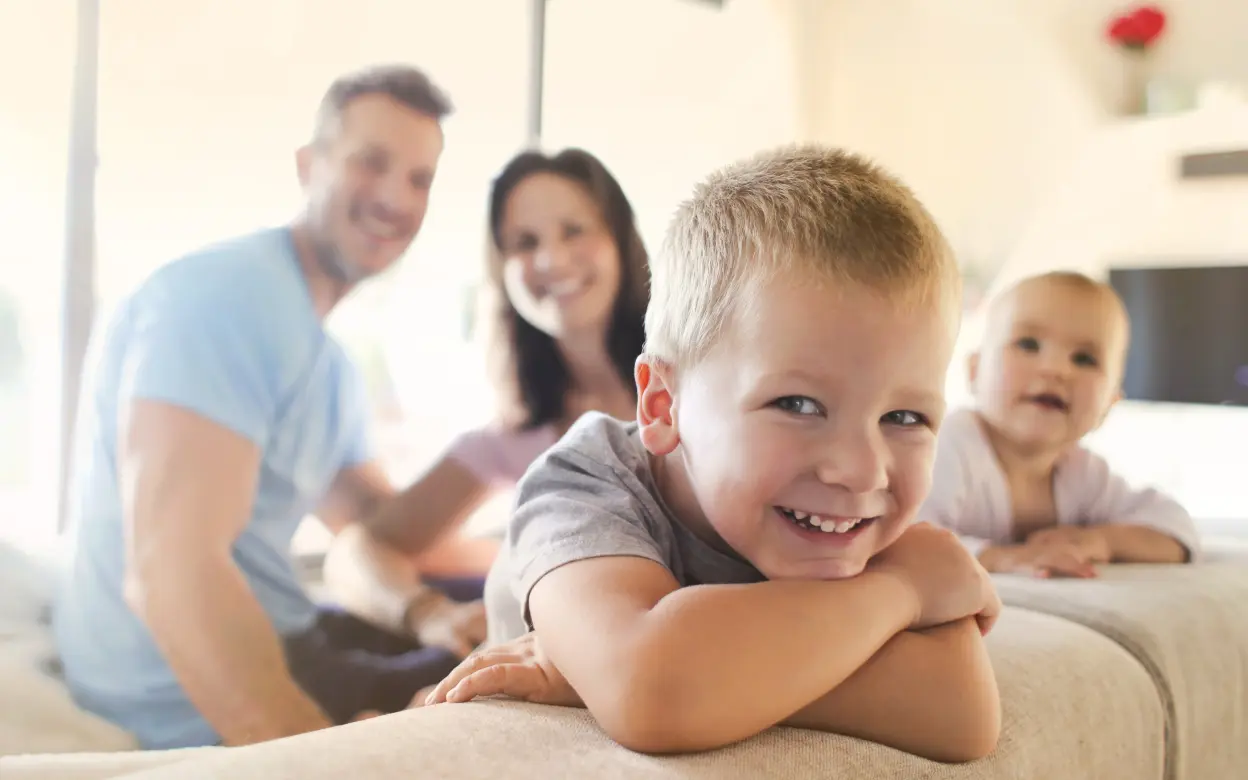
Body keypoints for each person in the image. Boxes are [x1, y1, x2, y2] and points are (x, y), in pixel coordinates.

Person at [422, 146, 1003, 763]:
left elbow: (959, 713)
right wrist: (903, 593)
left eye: (905, 417)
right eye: (799, 405)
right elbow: (650, 688)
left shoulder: (845, 520)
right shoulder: (583, 485)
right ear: (663, 407)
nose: (862, 469)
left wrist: (654, 676)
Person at [53, 64, 486, 750]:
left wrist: (505, 453)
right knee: (526, 683)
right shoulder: (227, 300)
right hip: (175, 687)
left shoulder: (325, 359)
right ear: (308, 165)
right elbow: (172, 569)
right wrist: (311, 757)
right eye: (371, 162)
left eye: (420, 179)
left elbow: (373, 526)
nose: (396, 198)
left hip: (296, 632)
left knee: (518, 622)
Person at [322, 148, 649, 634]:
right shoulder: (512, 438)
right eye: (524, 241)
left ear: (619, 237)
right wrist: (428, 613)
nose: (551, 259)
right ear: (501, 267)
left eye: (574, 230)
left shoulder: (699, 385)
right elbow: (353, 554)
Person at [917, 271, 1200, 578]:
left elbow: (1177, 528)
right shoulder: (949, 446)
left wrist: (1103, 540)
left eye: (1084, 359)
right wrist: (997, 557)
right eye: (1027, 344)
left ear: (1109, 405)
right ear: (974, 371)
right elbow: (905, 538)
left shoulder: (1083, 473)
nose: (1055, 369)